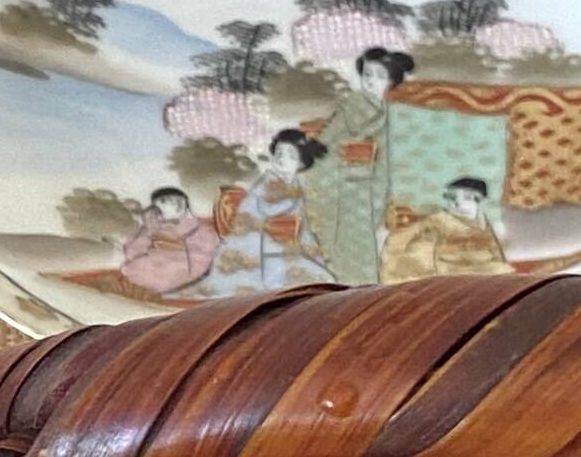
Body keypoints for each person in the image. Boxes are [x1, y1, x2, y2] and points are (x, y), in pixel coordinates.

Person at [308, 47, 411, 285]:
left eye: (379, 76)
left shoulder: (390, 112)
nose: (371, 81)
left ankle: (360, 283)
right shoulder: (352, 105)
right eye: (367, 74)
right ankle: (341, 278)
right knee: (341, 231)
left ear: (391, 81)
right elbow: (327, 137)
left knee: (363, 230)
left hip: (372, 177)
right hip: (337, 173)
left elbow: (389, 155)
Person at [194, 131, 335, 297]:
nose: (282, 158)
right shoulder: (268, 181)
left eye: (290, 155)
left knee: (321, 279)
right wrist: (287, 205)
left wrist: (314, 254)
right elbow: (265, 210)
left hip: (286, 243)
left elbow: (302, 225)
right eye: (279, 153)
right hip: (258, 240)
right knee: (270, 284)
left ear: (301, 162)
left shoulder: (295, 185)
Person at [381, 177, 511, 280]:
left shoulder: (484, 223)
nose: (457, 203)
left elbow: (496, 254)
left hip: (485, 275)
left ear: (479, 199)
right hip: (450, 277)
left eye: (467, 197)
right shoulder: (436, 223)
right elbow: (420, 263)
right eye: (451, 197)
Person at [116, 187, 219, 298]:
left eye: (179, 202)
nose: (177, 205)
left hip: (180, 267)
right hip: (151, 262)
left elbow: (199, 261)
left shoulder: (201, 229)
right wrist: (149, 230)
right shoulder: (153, 225)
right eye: (163, 202)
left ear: (185, 203)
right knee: (131, 269)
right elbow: (131, 253)